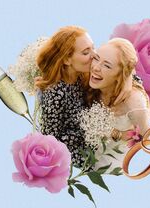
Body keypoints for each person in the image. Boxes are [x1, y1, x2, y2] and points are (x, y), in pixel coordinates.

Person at [88, 38, 150, 172]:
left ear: (120, 74)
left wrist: (113, 133)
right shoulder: (91, 83)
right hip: (88, 163)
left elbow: (145, 139)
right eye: (96, 58)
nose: (96, 67)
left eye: (107, 65)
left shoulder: (134, 102)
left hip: (115, 169)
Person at [35, 26, 94, 168]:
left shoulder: (82, 77)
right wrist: (90, 132)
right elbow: (51, 140)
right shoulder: (55, 92)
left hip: (92, 145)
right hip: (75, 159)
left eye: (93, 48)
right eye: (86, 52)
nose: (94, 55)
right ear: (67, 59)